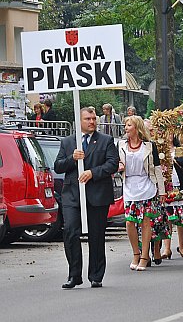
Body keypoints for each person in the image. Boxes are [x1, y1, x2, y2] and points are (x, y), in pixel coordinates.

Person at [54, 107, 119, 289]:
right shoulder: (68, 142)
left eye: (93, 119)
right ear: (79, 121)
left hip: (97, 195)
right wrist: (71, 159)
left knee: (96, 236)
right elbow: (58, 166)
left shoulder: (105, 140)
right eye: (87, 119)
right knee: (71, 232)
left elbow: (112, 164)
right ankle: (74, 275)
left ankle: (96, 275)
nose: (91, 122)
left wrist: (93, 173)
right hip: (72, 195)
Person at [117, 116, 166, 271]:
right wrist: (118, 166)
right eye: (125, 125)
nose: (125, 128)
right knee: (130, 221)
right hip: (130, 186)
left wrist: (162, 191)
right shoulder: (121, 145)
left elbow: (157, 169)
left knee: (146, 221)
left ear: (136, 127)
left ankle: (145, 255)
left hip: (147, 185)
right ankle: (136, 253)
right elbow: (114, 161)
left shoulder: (149, 146)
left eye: (129, 125)